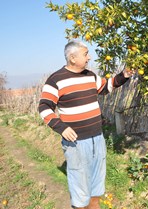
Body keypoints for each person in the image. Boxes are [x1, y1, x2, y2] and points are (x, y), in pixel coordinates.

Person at [38, 39, 134, 209]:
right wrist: (61, 127)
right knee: (80, 185)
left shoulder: (90, 75)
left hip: (97, 138)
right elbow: (44, 107)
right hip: (76, 142)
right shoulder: (56, 80)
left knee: (97, 184)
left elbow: (106, 87)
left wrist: (123, 76)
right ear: (72, 58)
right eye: (85, 54)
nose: (89, 57)